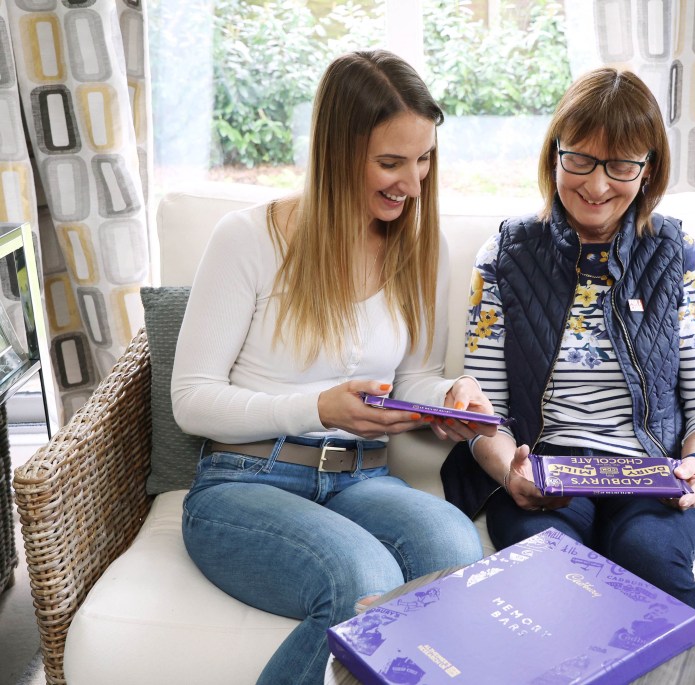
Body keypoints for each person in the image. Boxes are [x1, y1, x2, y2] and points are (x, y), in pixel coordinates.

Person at [171, 50, 495, 685]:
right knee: (362, 581)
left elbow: (412, 379)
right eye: (391, 162)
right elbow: (191, 399)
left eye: (424, 158)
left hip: (361, 478)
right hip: (245, 480)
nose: (413, 181)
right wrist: (315, 408)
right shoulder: (248, 239)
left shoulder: (423, 249)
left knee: (454, 549)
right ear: (337, 152)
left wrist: (450, 399)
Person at [444, 67, 695, 684]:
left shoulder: (679, 257)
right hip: (550, 469)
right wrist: (510, 469)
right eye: (581, 160)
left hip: (654, 469)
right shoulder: (505, 255)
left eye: (621, 166)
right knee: (545, 568)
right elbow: (482, 410)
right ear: (553, 155)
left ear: (649, 169)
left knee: (647, 555)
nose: (596, 185)